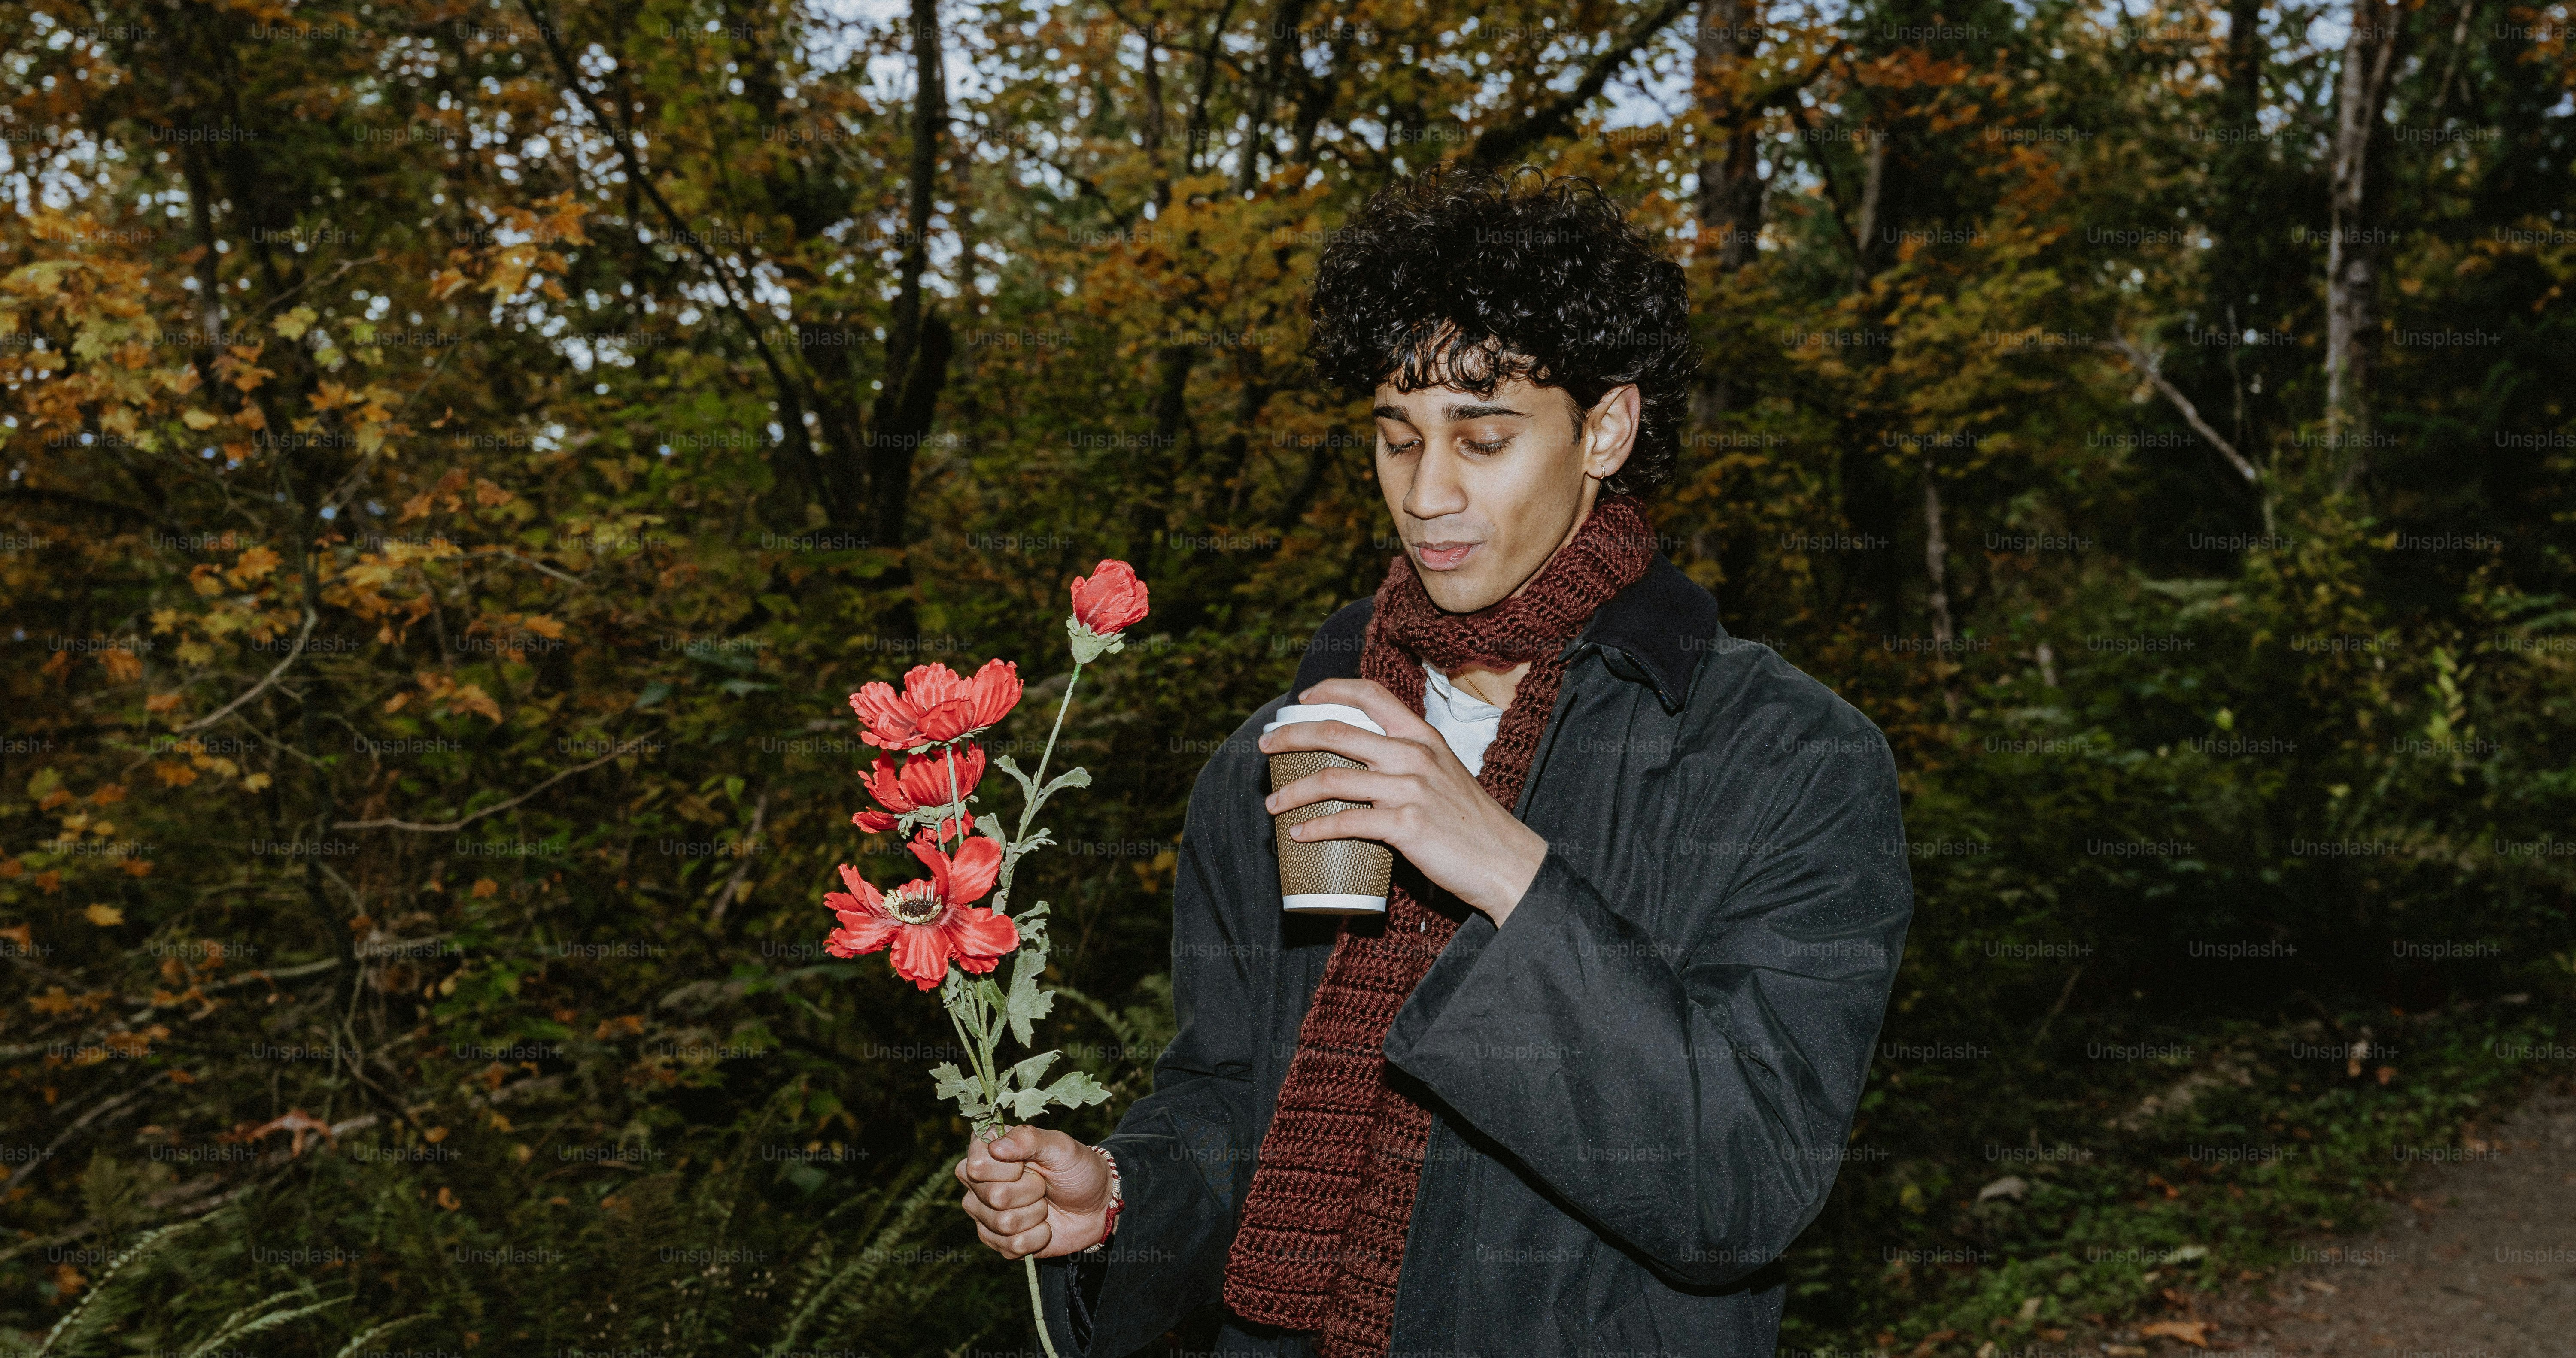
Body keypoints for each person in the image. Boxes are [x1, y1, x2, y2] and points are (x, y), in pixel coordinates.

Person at [955, 164, 1914, 1358]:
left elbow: (1746, 1183)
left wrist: (1508, 870)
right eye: (1397, 439)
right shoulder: (1284, 754)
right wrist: (1120, 1200)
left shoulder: (1790, 758)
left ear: (1606, 430)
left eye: (1484, 437)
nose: (1427, 493)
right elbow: (1232, 1095)